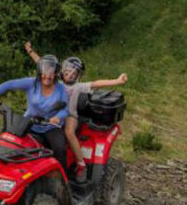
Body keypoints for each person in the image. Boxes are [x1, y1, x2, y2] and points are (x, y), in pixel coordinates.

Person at [24, 42, 128, 182]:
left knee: (68, 132)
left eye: (75, 73)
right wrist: (30, 51)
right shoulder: (56, 80)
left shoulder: (79, 87)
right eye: (68, 71)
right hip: (53, 114)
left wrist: (117, 81)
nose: (71, 74)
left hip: (70, 115)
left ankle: (81, 165)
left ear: (78, 76)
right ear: (63, 70)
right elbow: (42, 63)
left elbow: (97, 83)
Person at [0, 55, 70, 172]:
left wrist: (57, 117)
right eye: (45, 72)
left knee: (59, 148)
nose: (48, 76)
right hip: (29, 123)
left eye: (51, 72)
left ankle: (62, 180)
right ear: (40, 71)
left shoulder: (61, 88)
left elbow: (65, 110)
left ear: (55, 73)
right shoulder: (32, 83)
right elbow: (10, 84)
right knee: (9, 143)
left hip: (50, 126)